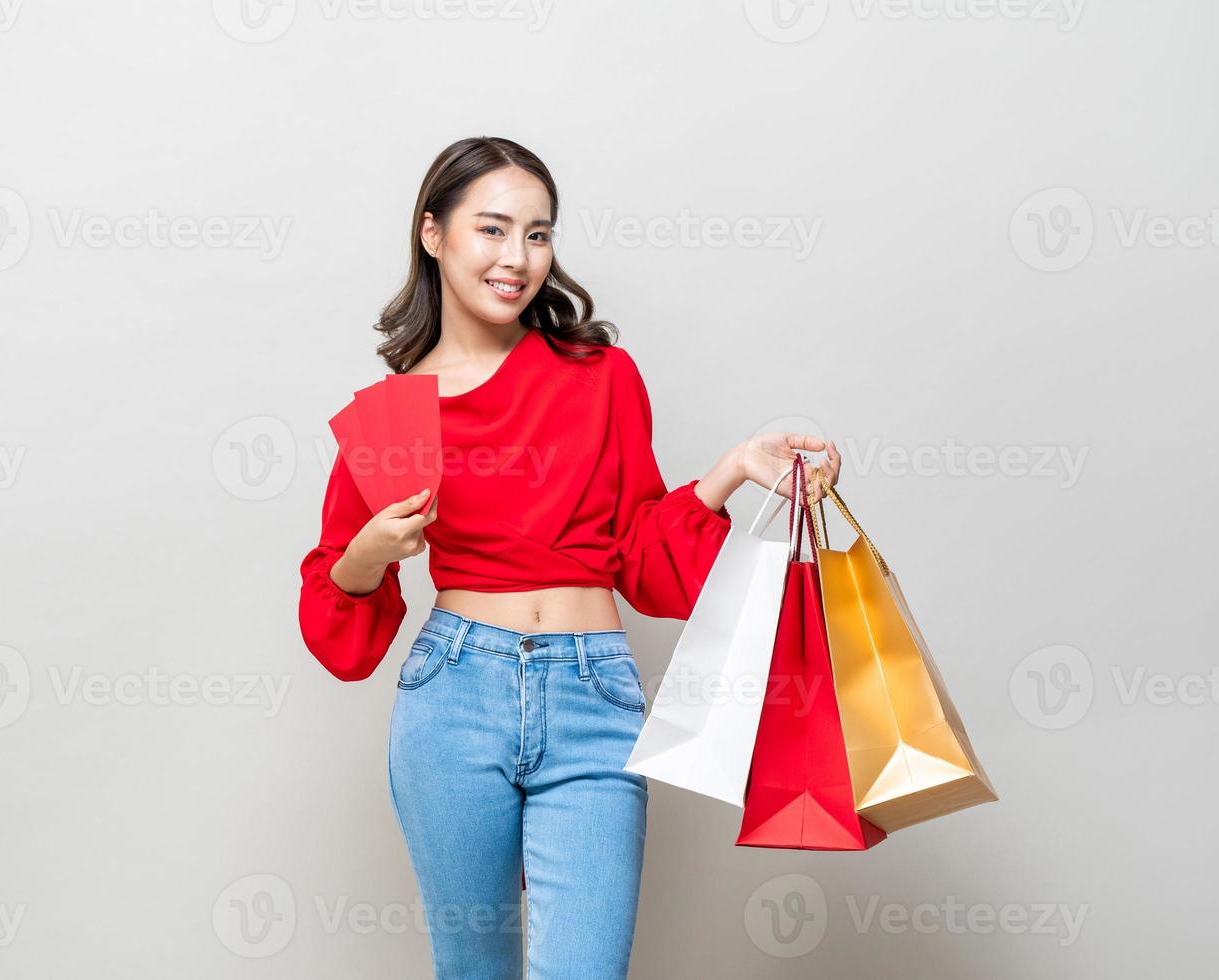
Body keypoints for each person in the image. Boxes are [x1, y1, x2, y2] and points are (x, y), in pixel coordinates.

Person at [297, 136, 839, 980]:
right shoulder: (393, 416)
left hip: (595, 697)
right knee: (473, 969)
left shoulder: (601, 377)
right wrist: (369, 553)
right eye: (493, 229)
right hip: (452, 700)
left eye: (539, 234)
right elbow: (342, 628)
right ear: (433, 234)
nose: (518, 258)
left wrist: (731, 470)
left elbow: (644, 558)